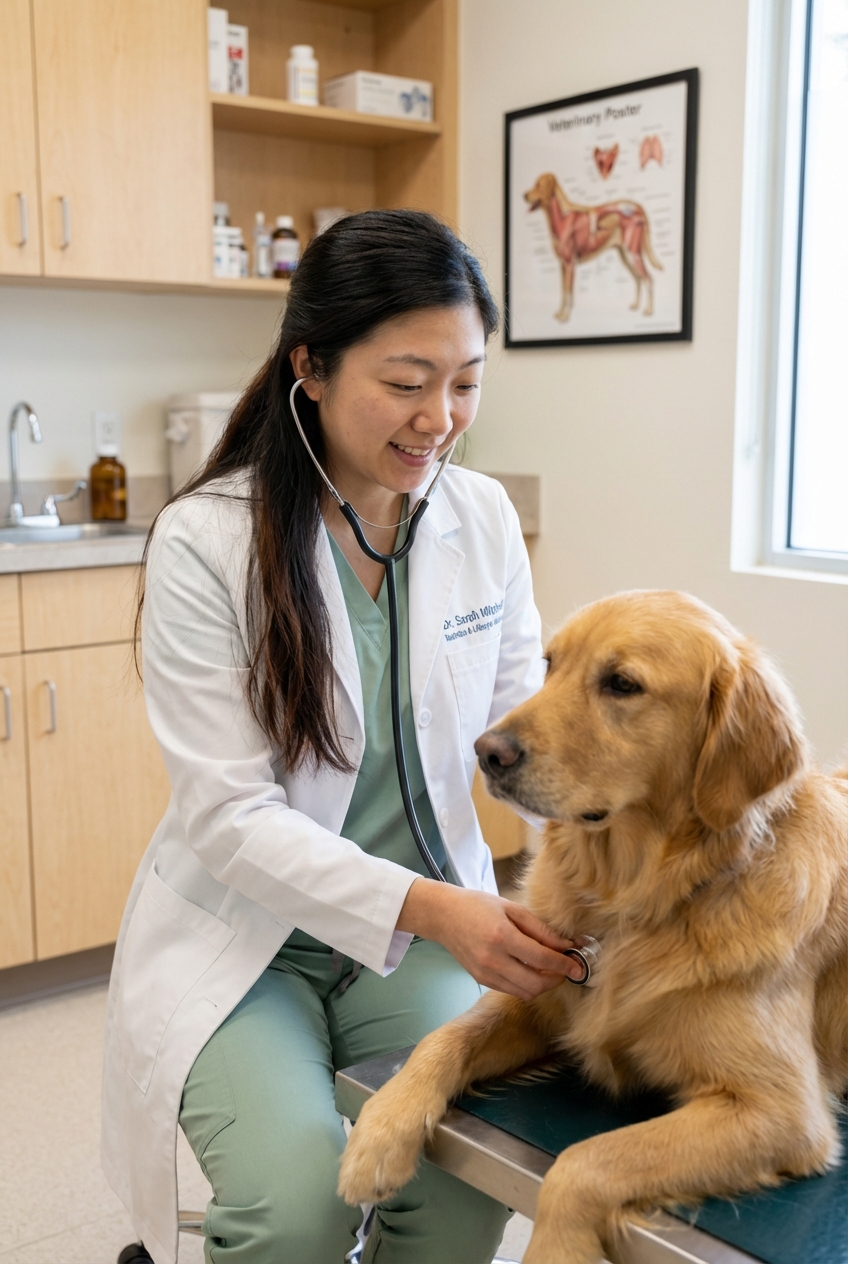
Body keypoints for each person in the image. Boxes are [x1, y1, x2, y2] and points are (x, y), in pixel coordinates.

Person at [102, 210, 583, 1264]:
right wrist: (437, 907)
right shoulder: (209, 540)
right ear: (308, 367)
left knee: (466, 1176)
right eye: (405, 383)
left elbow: (524, 745)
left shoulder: (480, 518)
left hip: (420, 934)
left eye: (465, 383)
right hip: (249, 935)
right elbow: (228, 817)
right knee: (298, 1204)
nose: (439, 419)